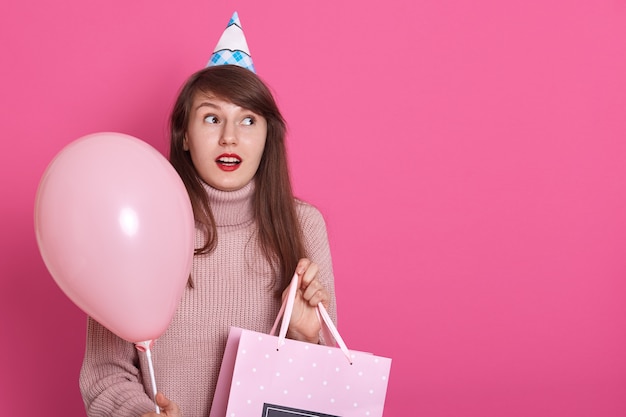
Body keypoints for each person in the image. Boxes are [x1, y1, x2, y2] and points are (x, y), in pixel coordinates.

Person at [78, 13, 336, 417]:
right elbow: (104, 373)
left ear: (269, 136)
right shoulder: (135, 224)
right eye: (212, 118)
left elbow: (325, 390)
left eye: (248, 120)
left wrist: (307, 337)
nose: (229, 137)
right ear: (184, 134)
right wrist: (142, 414)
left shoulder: (304, 227)